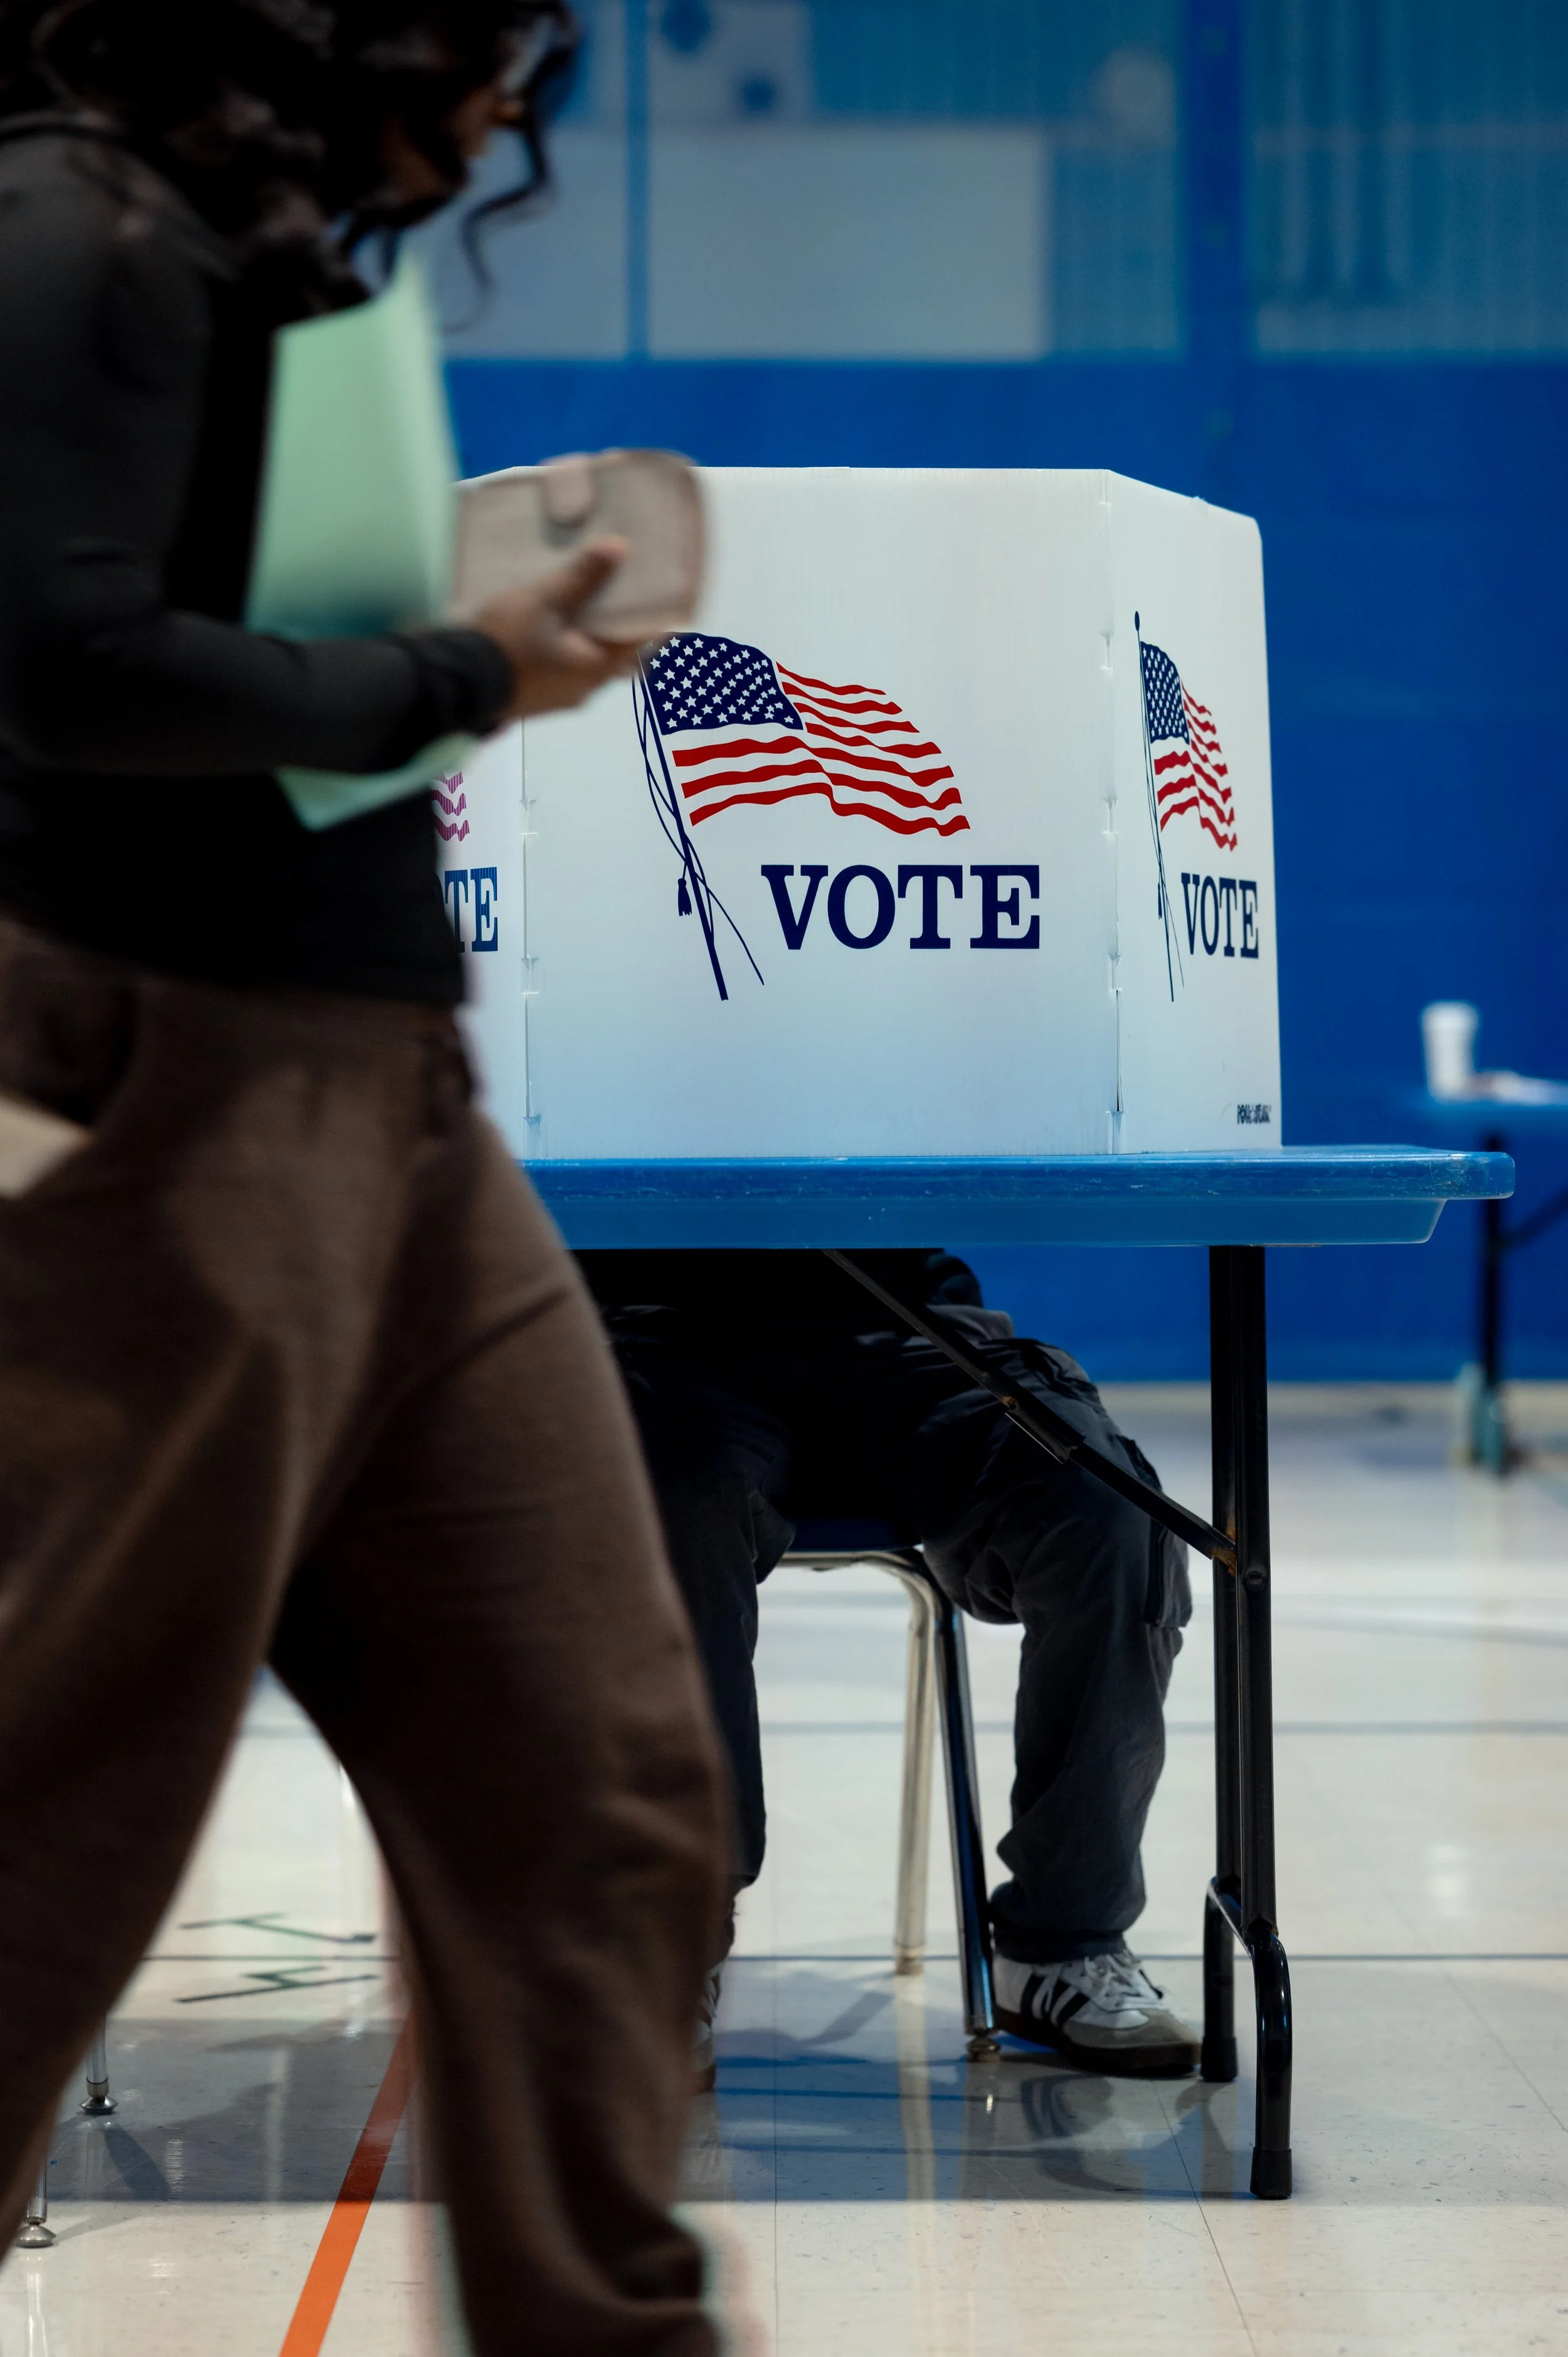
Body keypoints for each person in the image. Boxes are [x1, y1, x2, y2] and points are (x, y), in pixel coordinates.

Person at [0, 3, 729, 2349]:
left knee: (601, 1784)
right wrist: (448, 667)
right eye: (493, 33)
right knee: (57, 1821)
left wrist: (449, 639)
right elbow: (64, 665)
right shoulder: (69, 220)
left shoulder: (256, 245)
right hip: (154, 1094)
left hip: (397, 1104)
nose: (517, 100)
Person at [577, 1246, 1200, 2079]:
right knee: (664, 1510)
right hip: (672, 1336)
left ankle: (1063, 1942)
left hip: (912, 1332)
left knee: (1109, 1517)